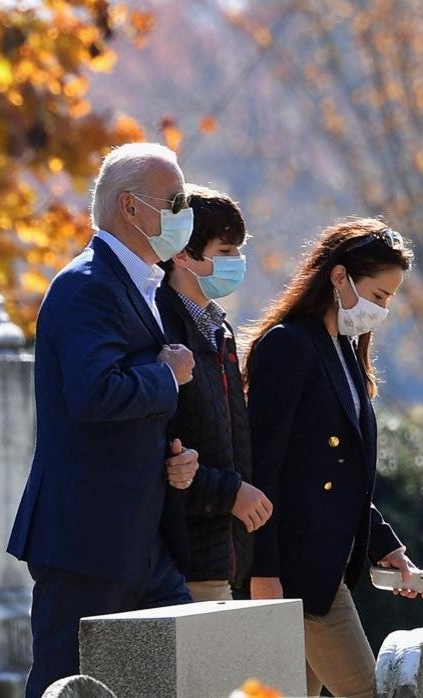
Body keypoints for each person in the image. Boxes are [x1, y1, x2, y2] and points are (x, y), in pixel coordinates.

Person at [6, 142, 201, 698]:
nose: (184, 213)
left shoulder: (142, 285)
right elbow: (92, 394)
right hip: (86, 539)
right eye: (175, 200)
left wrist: (174, 457)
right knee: (65, 685)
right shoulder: (86, 285)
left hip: (142, 539)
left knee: (175, 677)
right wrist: (168, 378)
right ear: (131, 208)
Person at [244, 217, 423, 698]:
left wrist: (385, 547)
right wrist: (263, 572)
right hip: (297, 575)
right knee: (370, 691)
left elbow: (339, 475)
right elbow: (263, 467)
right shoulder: (288, 345)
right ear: (339, 276)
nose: (382, 310)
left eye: (389, 299)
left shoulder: (344, 351)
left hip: (325, 569)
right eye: (379, 295)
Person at [155, 185, 272, 602]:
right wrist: (229, 493)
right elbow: (164, 456)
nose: (237, 263)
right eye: (225, 251)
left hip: (226, 557)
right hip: (187, 561)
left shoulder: (218, 331)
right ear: (183, 255)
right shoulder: (162, 331)